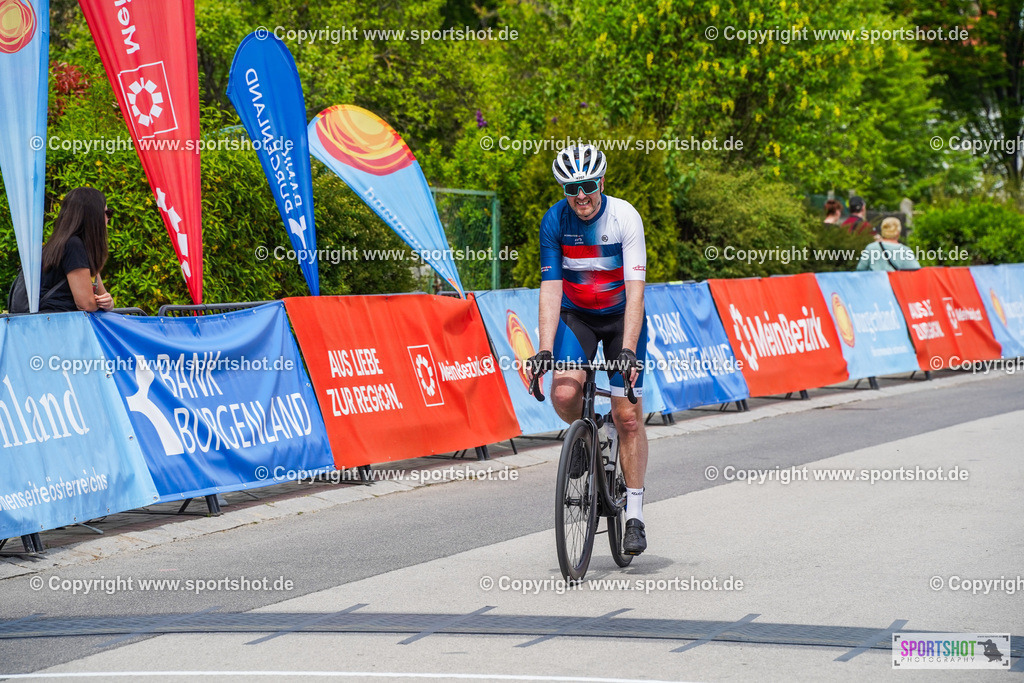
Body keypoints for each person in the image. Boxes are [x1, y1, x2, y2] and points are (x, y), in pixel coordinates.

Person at [525, 144, 650, 556]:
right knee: (563, 393)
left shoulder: (624, 217)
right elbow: (550, 288)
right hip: (577, 316)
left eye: (588, 185)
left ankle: (633, 514)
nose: (580, 196)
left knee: (628, 417)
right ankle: (590, 439)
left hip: (620, 319)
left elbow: (636, 294)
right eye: (571, 188)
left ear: (602, 181)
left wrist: (628, 350)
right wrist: (545, 348)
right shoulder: (554, 221)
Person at [38, 187, 114, 312]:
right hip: (62, 325)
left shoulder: (65, 243)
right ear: (93, 216)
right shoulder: (74, 246)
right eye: (107, 213)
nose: (108, 218)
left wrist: (108, 303)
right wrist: (100, 304)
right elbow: (86, 304)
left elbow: (101, 295)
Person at [856, 217, 921, 271]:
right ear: (898, 232)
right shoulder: (905, 251)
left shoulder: (871, 248)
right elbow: (916, 270)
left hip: (875, 284)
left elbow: (860, 269)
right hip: (895, 285)